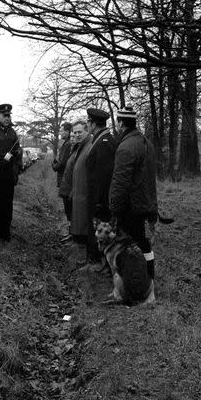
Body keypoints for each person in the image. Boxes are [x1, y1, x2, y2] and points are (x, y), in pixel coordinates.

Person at [109, 106, 158, 281]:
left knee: (130, 241)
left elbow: (120, 182)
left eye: (118, 121)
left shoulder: (126, 146)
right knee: (142, 241)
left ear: (121, 122)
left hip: (131, 205)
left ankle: (136, 278)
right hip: (144, 202)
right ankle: (148, 276)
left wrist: (114, 209)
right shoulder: (147, 142)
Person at [85, 108, 118, 265]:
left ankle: (98, 262)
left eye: (88, 122)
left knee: (100, 231)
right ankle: (96, 260)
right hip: (98, 196)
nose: (87, 124)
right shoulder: (101, 139)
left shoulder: (104, 142)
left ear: (93, 124)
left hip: (100, 198)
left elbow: (103, 176)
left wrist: (99, 202)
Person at [0, 103, 22, 241]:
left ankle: (5, 232)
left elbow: (18, 153)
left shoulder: (12, 132)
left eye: (9, 116)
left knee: (7, 205)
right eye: (5, 115)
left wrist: (16, 171)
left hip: (9, 176)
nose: (7, 118)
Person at [70, 120, 92, 245]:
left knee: (84, 225)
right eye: (75, 132)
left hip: (85, 193)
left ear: (87, 131)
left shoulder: (89, 146)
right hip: (78, 192)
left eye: (80, 132)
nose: (77, 135)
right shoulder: (81, 146)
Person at [52, 122, 72, 230]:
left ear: (67, 132)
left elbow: (61, 163)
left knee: (68, 206)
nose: (60, 132)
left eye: (62, 130)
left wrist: (53, 164)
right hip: (65, 178)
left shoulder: (67, 144)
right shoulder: (67, 143)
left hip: (64, 179)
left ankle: (71, 230)